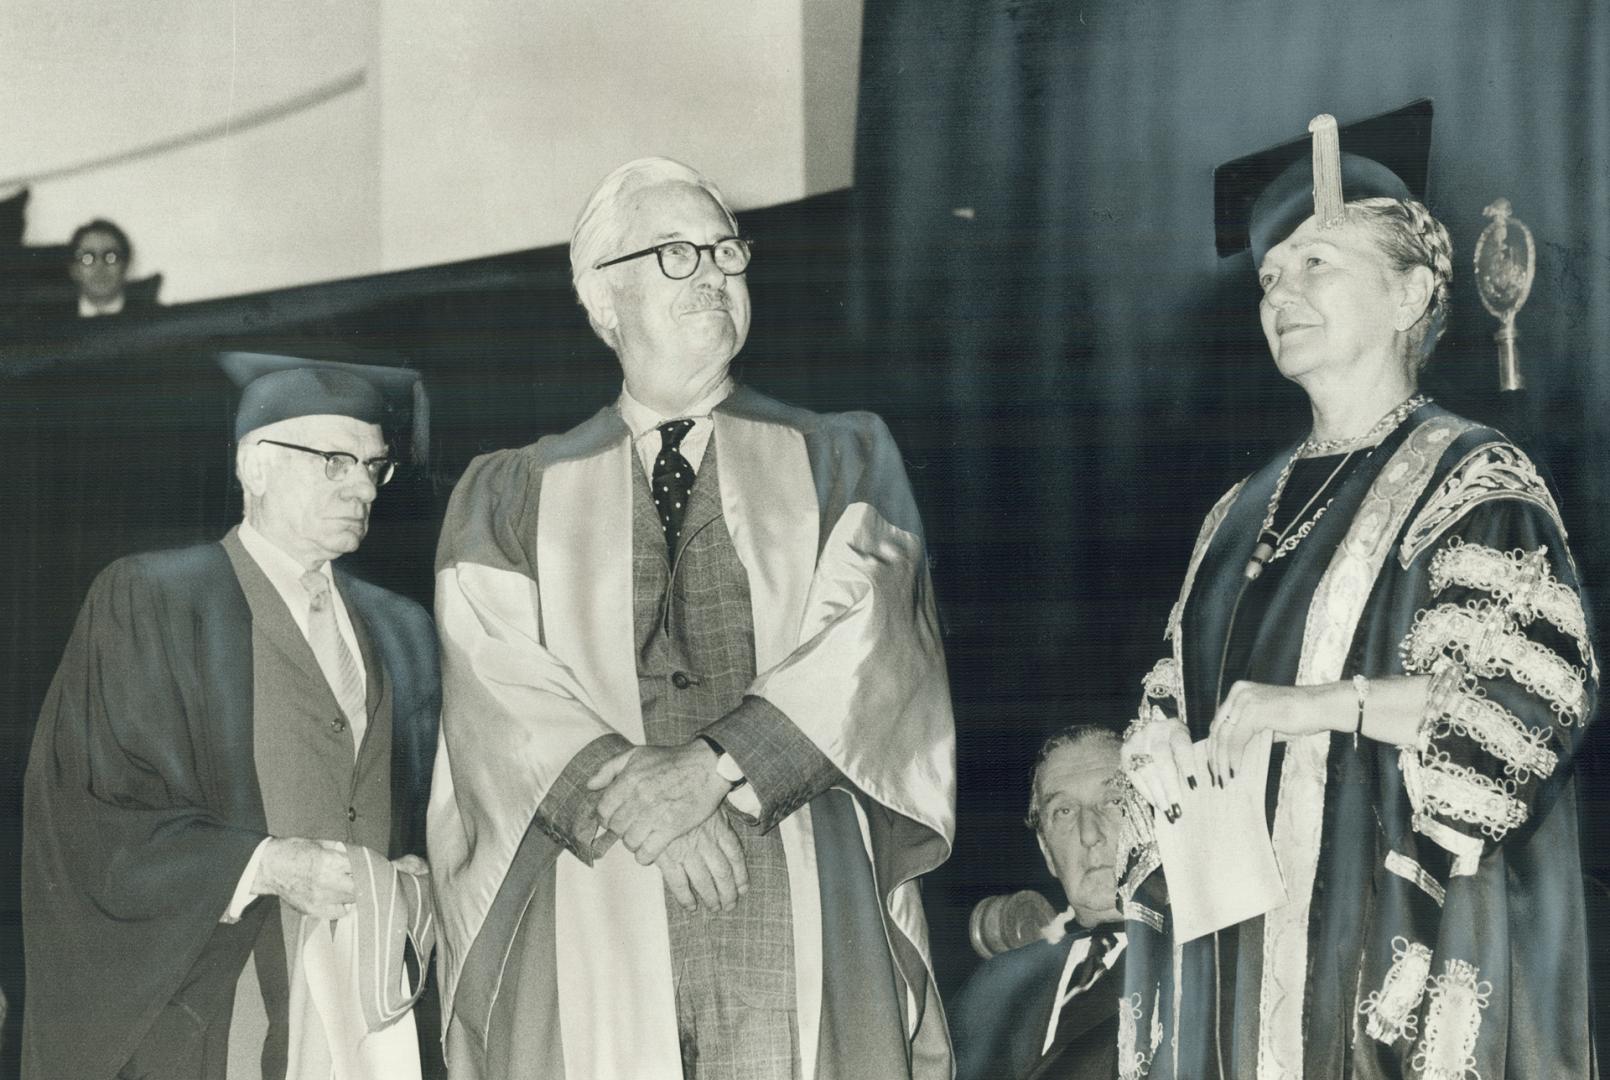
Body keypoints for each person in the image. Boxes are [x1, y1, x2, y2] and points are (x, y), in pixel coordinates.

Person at [428, 156, 956, 1080]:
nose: (714, 271)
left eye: (725, 250)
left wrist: (713, 769)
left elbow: (873, 644)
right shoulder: (510, 493)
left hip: (794, 869)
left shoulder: (842, 458)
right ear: (602, 297)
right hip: (594, 882)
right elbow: (494, 683)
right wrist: (645, 806)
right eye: (676, 252)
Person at [1118, 103, 1597, 1079]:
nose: (1277, 293)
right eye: (1266, 276)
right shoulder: (1233, 514)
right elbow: (1170, 694)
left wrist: (1315, 709)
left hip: (1388, 944)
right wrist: (1154, 746)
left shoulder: (1472, 480)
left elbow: (1522, 705)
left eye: (1314, 264)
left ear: (1409, 291)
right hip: (1236, 950)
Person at [22, 356, 440, 1080]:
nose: (362, 487)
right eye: (334, 461)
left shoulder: (402, 628)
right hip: (221, 987)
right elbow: (89, 812)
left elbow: (430, 801)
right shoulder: (153, 600)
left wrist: (419, 866)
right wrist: (264, 864)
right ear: (255, 465)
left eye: (376, 467)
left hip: (371, 993)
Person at [950, 726, 1140, 1080]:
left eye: (1114, 801)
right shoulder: (994, 985)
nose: (1089, 833)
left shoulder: (1210, 962)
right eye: (1064, 811)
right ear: (1047, 851)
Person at [67, 218, 155, 317]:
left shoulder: (149, 319)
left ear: (125, 265)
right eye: (88, 258)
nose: (100, 267)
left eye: (110, 257)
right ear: (74, 269)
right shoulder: (54, 323)